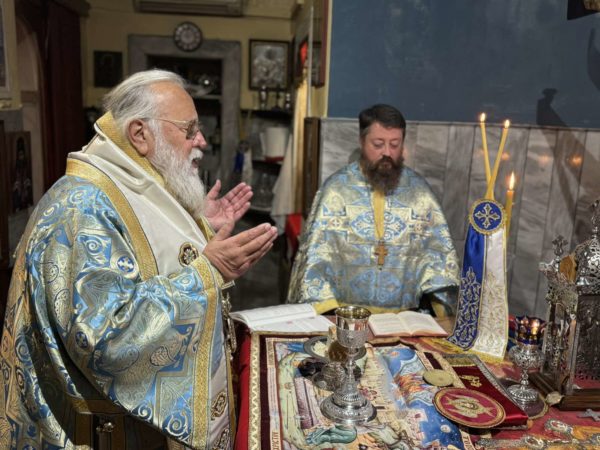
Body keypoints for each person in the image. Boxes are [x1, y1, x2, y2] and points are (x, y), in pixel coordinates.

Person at [0, 69, 278, 449]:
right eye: (189, 129)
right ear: (140, 134)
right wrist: (208, 273)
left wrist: (198, 228)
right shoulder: (83, 210)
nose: (201, 141)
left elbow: (149, 254)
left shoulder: (129, 182)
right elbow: (106, 341)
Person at [287, 104, 459, 316]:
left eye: (395, 144)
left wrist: (441, 311)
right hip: (346, 318)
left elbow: (440, 262)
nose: (387, 152)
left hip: (405, 319)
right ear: (362, 141)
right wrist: (330, 315)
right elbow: (314, 264)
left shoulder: (420, 194)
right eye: (378, 144)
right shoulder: (335, 192)